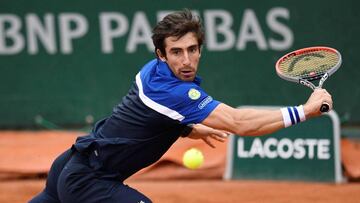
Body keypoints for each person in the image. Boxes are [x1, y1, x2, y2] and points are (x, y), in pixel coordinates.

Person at [29, 9, 332, 203]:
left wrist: (187, 128)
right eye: (176, 52)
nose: (186, 61)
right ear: (161, 54)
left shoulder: (151, 72)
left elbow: (149, 117)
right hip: (88, 181)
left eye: (192, 49)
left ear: (200, 49)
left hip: (69, 165)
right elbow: (239, 123)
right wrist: (304, 111)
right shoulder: (175, 93)